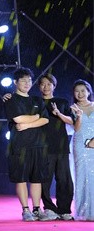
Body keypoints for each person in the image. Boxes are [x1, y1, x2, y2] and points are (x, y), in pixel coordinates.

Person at [3, 67, 55, 221]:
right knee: (21, 178)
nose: (27, 83)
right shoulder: (10, 99)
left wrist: (28, 125)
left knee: (36, 178)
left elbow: (45, 119)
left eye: (30, 80)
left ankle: (37, 209)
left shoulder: (37, 100)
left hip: (38, 144)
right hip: (19, 145)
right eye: (23, 80)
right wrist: (36, 117)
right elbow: (18, 119)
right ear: (15, 82)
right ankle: (25, 210)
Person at [37, 74, 76, 221]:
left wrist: (58, 113)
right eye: (43, 84)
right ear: (39, 86)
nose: (46, 87)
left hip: (61, 146)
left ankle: (64, 209)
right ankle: (49, 209)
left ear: (54, 85)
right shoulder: (35, 102)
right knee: (45, 180)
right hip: (42, 146)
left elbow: (72, 121)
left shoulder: (62, 102)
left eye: (49, 84)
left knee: (64, 179)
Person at [69, 80, 94, 221]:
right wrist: (78, 116)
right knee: (82, 175)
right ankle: (83, 211)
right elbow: (76, 128)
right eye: (77, 91)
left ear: (89, 91)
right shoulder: (73, 108)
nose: (80, 94)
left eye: (83, 90)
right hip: (80, 144)